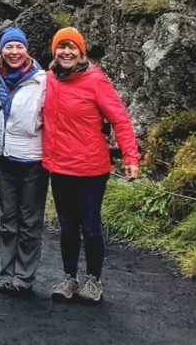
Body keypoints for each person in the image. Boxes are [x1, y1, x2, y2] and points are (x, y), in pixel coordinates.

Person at [44, 27, 140, 304]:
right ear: (54, 51)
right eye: (61, 46)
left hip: (90, 169)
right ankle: (69, 278)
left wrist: (131, 158)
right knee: (67, 225)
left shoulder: (95, 80)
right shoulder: (49, 78)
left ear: (81, 51)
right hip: (60, 166)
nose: (66, 51)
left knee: (90, 226)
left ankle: (94, 281)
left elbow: (120, 119)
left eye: (72, 47)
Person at [0, 28, 47, 296]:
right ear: (1, 51)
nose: (13, 52)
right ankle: (6, 274)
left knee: (30, 220)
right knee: (8, 219)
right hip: (4, 158)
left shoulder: (43, 80)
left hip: (33, 159)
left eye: (18, 47)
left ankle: (24, 276)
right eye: (8, 47)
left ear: (27, 50)